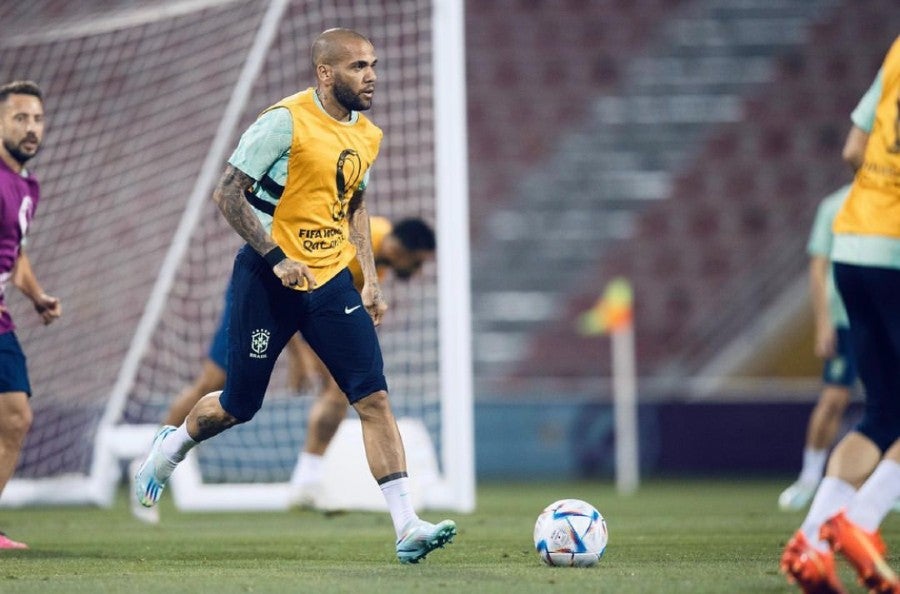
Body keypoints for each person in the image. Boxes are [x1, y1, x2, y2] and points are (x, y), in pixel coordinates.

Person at [133, 28, 455, 564]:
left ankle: (406, 526)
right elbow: (227, 193)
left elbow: (354, 207)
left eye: (372, 65)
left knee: (373, 398)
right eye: (357, 66)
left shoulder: (368, 136)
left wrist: (370, 279)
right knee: (240, 404)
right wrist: (276, 257)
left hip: (330, 282)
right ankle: (169, 449)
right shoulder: (283, 121)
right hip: (268, 279)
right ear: (325, 73)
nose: (370, 75)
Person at [129, 216, 436, 523]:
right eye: (418, 262)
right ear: (399, 248)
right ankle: (153, 455)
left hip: (309, 297)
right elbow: (288, 290)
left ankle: (307, 479)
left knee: (346, 388)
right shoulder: (359, 242)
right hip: (264, 290)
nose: (417, 271)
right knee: (215, 381)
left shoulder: (376, 262)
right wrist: (299, 356)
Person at [781, 38, 900, 594]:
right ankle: (860, 521)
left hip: (855, 241)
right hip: (897, 247)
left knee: (883, 415)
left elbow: (855, 150)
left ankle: (808, 543)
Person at [0, 81, 62, 550]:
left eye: (37, 119)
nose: (31, 128)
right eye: (20, 118)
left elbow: (14, 253)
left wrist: (36, 295)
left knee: (16, 417)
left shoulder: (27, 185)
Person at [778, 187, 856, 511]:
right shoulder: (835, 205)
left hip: (889, 317)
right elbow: (818, 266)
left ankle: (889, 483)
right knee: (834, 399)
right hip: (846, 319)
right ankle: (809, 478)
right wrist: (824, 324)